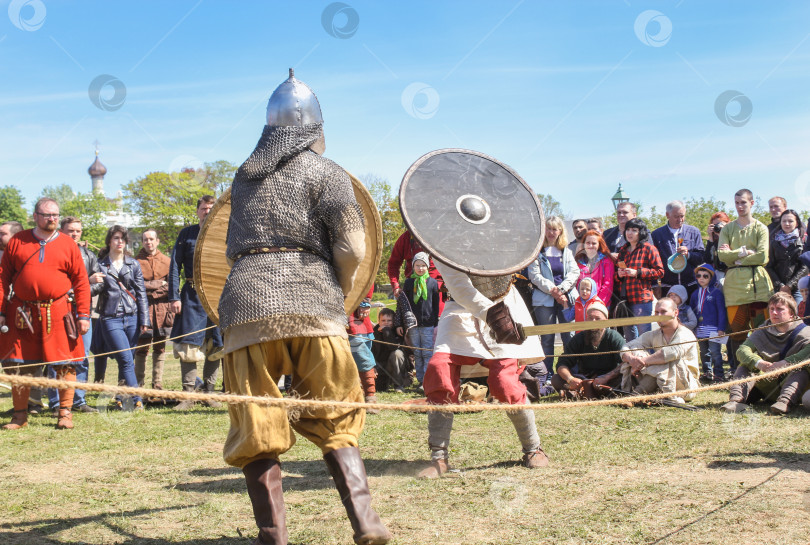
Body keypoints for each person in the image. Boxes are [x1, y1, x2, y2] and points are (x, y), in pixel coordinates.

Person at [216, 70, 391, 544]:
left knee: (257, 424)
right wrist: (339, 290)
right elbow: (354, 247)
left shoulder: (243, 177)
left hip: (247, 307)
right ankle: (366, 522)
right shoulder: (326, 172)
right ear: (315, 129)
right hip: (316, 309)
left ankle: (273, 537)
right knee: (337, 413)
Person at [418, 261, 549, 478]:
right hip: (459, 308)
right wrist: (492, 316)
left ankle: (533, 448)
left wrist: (500, 318)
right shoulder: (441, 236)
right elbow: (460, 285)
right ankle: (439, 458)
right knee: (439, 369)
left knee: (504, 382)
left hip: (505, 304)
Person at [0, 198, 90, 430]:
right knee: (20, 364)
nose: (52, 219)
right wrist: (1, 311)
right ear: (35, 216)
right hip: (23, 313)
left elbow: (81, 282)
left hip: (59, 312)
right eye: (47, 215)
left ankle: (65, 413)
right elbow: (3, 279)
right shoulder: (18, 241)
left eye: (55, 215)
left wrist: (83, 315)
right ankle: (20, 416)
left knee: (65, 365)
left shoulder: (68, 244)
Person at [169, 195, 224, 411]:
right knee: (189, 344)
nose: (207, 212)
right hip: (191, 296)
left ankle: (209, 394)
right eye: (203, 208)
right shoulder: (187, 234)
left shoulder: (222, 234)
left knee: (216, 345)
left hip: (216, 296)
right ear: (197, 211)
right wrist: (174, 297)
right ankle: (188, 395)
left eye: (211, 208)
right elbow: (174, 266)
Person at [46, 217, 103, 414]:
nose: (75, 234)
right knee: (56, 358)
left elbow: (100, 282)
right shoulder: (52, 253)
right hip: (57, 312)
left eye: (78, 231)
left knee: (81, 357)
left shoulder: (88, 255)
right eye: (71, 230)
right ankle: (56, 403)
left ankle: (78, 400)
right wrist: (81, 285)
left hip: (82, 312)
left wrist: (83, 288)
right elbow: (50, 285)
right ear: (62, 231)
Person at [722, 292, 810, 415]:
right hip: (765, 385)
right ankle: (736, 400)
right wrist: (759, 363)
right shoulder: (763, 330)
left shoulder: (806, 332)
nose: (774, 312)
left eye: (780, 309)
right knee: (745, 365)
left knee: (801, 369)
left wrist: (785, 363)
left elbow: (807, 355)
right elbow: (742, 350)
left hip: (793, 385)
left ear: (791, 313)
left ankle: (785, 402)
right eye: (771, 309)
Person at [717, 189, 773, 374]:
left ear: (752, 203)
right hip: (734, 290)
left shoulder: (760, 228)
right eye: (737, 203)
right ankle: (739, 371)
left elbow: (763, 256)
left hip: (758, 286)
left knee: (762, 331)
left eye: (743, 203)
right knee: (737, 332)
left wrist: (737, 257)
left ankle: (766, 370)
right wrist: (744, 252)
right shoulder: (728, 228)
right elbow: (722, 256)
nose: (740, 206)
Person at [95, 226, 150, 411]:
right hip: (111, 318)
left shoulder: (133, 264)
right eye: (116, 238)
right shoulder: (100, 264)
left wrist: (145, 320)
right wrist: (89, 280)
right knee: (126, 359)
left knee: (126, 359)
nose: (120, 242)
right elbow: (95, 289)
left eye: (123, 239)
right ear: (109, 241)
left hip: (132, 317)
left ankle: (120, 396)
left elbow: (141, 293)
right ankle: (137, 399)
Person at [526, 216, 580, 396]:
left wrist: (562, 290)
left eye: (555, 229)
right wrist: (553, 291)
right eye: (548, 229)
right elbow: (534, 275)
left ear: (560, 231)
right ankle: (547, 375)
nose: (551, 233)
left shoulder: (566, 251)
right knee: (547, 339)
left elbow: (574, 272)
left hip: (566, 299)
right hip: (544, 300)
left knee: (568, 337)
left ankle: (569, 373)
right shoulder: (537, 251)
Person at [620, 298, 700, 404]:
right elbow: (627, 346)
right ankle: (641, 394)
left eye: (663, 312)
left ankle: (637, 394)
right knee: (636, 351)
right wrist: (632, 359)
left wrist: (643, 361)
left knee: (667, 359)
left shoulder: (685, 334)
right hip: (662, 381)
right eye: (657, 312)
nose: (659, 315)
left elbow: (670, 353)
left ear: (676, 313)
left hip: (686, 386)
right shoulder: (654, 334)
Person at [550, 302, 624, 397]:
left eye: (597, 319)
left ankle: (578, 394)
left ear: (606, 320)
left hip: (607, 380)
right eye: (590, 318)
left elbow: (625, 362)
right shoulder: (579, 338)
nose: (593, 322)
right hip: (584, 380)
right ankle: (584, 391)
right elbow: (562, 364)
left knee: (624, 378)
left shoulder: (614, 337)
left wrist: (606, 377)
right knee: (556, 379)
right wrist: (570, 379)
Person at [134, 228, 173, 391]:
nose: (148, 242)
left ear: (157, 241)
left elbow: (171, 286)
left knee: (160, 346)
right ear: (142, 242)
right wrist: (156, 284)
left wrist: (151, 289)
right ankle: (139, 383)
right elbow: (136, 286)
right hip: (143, 308)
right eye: (145, 240)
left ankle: (157, 382)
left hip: (163, 308)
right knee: (142, 346)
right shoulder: (135, 262)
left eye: (151, 239)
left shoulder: (167, 261)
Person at [616, 218, 664, 341]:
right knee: (630, 336)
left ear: (641, 232)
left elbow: (660, 272)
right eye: (628, 230)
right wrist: (619, 274)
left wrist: (637, 272)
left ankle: (648, 359)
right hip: (625, 298)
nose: (630, 233)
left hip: (642, 298)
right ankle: (633, 360)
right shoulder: (622, 250)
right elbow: (616, 276)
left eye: (634, 230)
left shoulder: (649, 248)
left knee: (645, 336)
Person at [395, 252, 439, 387]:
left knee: (427, 352)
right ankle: (420, 379)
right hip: (412, 324)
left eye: (423, 265)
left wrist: (435, 321)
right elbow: (402, 305)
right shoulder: (409, 283)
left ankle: (427, 379)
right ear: (413, 266)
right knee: (417, 353)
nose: (420, 268)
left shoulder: (432, 283)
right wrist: (400, 323)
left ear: (428, 267)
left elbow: (435, 304)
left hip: (427, 324)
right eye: (417, 265)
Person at [650, 200, 705, 298]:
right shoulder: (656, 235)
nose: (680, 219)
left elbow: (702, 257)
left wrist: (689, 255)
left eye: (682, 216)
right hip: (667, 288)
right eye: (676, 216)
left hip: (691, 286)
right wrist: (655, 285)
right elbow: (653, 262)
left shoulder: (694, 232)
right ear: (667, 215)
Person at [689, 264, 727, 382]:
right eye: (698, 275)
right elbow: (691, 311)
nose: (701, 278)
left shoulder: (716, 293)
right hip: (700, 329)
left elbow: (722, 312)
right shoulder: (695, 294)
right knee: (704, 352)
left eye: (705, 276)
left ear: (711, 278)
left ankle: (719, 374)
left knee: (715, 352)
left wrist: (721, 328)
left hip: (714, 329)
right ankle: (707, 372)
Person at [765, 209, 807, 305]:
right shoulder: (774, 241)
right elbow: (769, 265)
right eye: (784, 221)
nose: (787, 223)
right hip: (778, 288)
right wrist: (781, 285)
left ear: (796, 223)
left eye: (790, 221)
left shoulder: (804, 241)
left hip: (798, 288)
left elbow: (805, 266)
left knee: (798, 316)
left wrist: (790, 285)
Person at [387, 230, 440, 298]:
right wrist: (395, 286)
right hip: (412, 289)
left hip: (436, 287)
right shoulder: (406, 238)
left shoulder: (439, 236)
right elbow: (393, 264)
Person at [371, 308, 410, 393]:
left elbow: (393, 347)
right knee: (379, 388)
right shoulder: (374, 332)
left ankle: (398, 385)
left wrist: (386, 331)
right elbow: (372, 351)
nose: (386, 323)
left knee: (397, 354)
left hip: (396, 365)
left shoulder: (398, 331)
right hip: (380, 365)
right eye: (383, 320)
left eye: (389, 320)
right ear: (379, 321)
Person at [575, 230, 615, 308]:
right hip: (581, 305)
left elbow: (608, 284)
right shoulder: (578, 261)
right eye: (588, 243)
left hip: (600, 304)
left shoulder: (606, 261)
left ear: (599, 245)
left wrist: (598, 303)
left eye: (594, 243)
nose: (590, 246)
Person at [703, 212, 730, 280]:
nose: (718, 227)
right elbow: (708, 260)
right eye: (715, 225)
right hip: (718, 273)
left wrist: (723, 235)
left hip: (730, 272)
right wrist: (710, 238)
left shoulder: (732, 237)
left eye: (719, 224)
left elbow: (725, 262)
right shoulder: (714, 239)